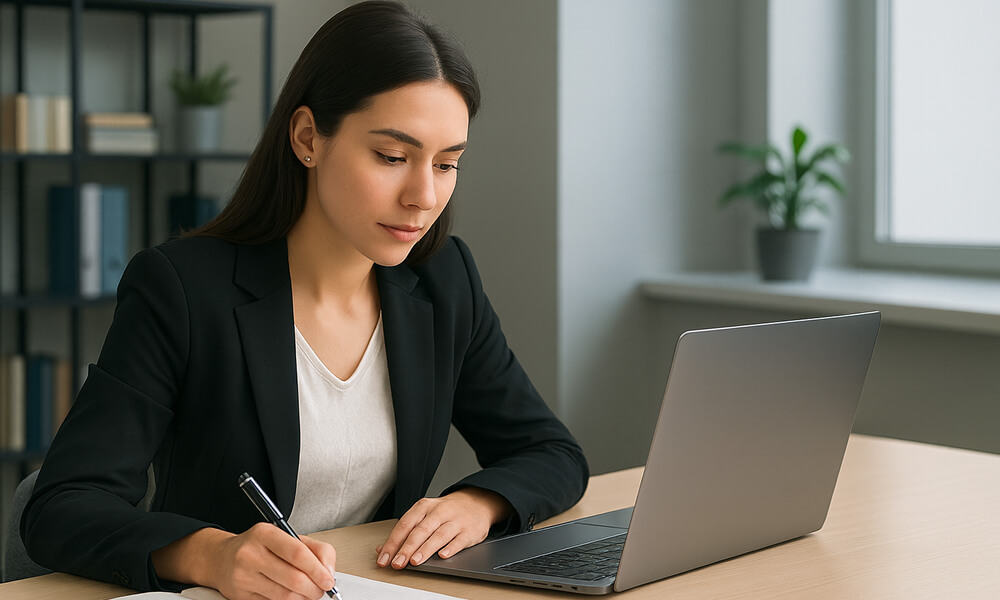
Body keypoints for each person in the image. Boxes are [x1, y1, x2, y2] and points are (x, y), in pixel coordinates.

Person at [20, 2, 589, 599]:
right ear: (308, 137)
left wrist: (481, 504)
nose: (424, 196)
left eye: (447, 164)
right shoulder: (182, 289)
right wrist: (210, 554)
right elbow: (61, 505)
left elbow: (551, 452)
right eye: (393, 157)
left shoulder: (445, 280)